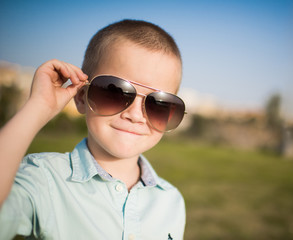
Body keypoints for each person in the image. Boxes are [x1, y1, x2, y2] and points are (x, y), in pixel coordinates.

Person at [0, 19, 186, 239]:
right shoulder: (42, 179)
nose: (135, 115)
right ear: (81, 96)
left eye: (159, 104)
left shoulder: (171, 201)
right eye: (114, 92)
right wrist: (38, 108)